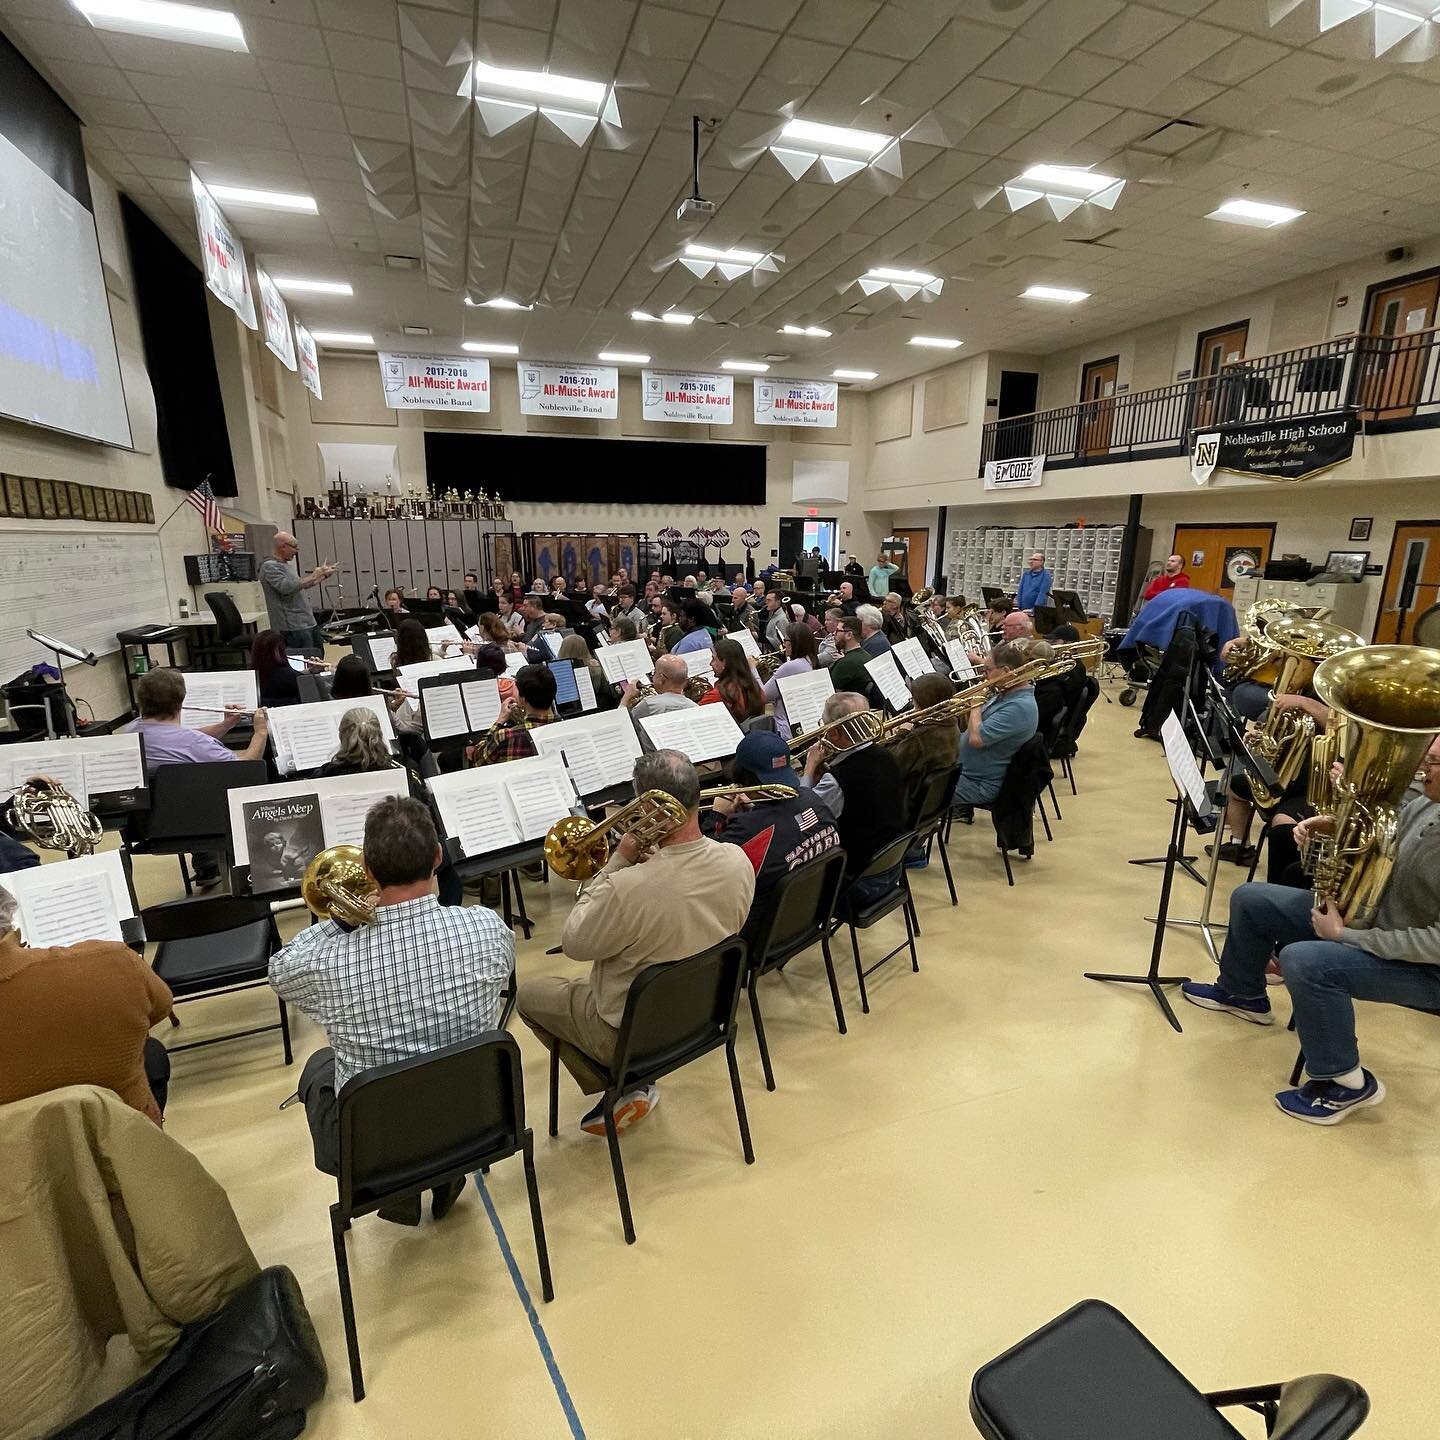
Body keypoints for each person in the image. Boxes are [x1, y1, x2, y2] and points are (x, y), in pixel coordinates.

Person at [271, 796, 513, 1220]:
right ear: (438, 858)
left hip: (378, 1146)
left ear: (367, 868)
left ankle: (396, 1192)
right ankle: (447, 1175)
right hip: (477, 1119)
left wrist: (339, 922)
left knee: (317, 1069)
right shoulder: (487, 927)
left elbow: (280, 973)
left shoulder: (326, 961)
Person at [1181, 738, 1440, 1125]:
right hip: (1376, 922)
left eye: (1433, 762)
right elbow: (1386, 836)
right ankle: (1242, 993)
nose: (1421, 769)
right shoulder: (1428, 802)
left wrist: (1346, 937)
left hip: (1425, 968)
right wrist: (1331, 828)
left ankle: (1346, 1083)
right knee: (1252, 899)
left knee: (1305, 960)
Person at [516, 750, 755, 1135]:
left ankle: (625, 1081)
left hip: (630, 1033)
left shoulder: (626, 887)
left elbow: (575, 942)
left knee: (530, 995)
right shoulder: (737, 860)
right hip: (706, 1013)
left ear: (651, 806)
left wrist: (618, 862)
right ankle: (635, 1082)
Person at [0, 883, 173, 1123]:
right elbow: (160, 1007)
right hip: (126, 1146)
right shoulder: (114, 962)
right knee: (150, 1052)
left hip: (14, 1157)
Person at [120, 668, 269, 890]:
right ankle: (213, 862)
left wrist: (225, 725)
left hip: (142, 827)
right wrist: (260, 732)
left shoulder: (126, 734)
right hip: (198, 824)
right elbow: (245, 767)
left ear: (140, 700)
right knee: (211, 787)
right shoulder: (194, 744)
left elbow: (182, 739)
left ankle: (207, 864)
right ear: (181, 701)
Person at [709, 731, 840, 946]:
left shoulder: (747, 827)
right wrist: (756, 810)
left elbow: (704, 865)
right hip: (810, 916)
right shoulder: (812, 798)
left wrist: (717, 816)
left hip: (760, 935)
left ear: (745, 776)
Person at [802, 692, 906, 903]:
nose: (822, 729)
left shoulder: (838, 780)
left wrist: (809, 768)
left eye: (825, 724)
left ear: (836, 733)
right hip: (891, 867)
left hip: (857, 882)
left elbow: (803, 815)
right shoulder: (886, 755)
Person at [952, 641, 1039, 817]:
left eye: (987, 670)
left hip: (979, 783)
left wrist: (975, 704)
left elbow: (977, 739)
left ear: (1006, 671)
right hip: (965, 772)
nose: (984, 676)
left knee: (913, 792)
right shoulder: (1005, 693)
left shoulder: (1019, 707)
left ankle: (912, 842)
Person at [887, 672, 960, 825]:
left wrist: (901, 733)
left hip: (908, 805)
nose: (912, 702)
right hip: (931, 806)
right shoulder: (952, 722)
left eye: (913, 699)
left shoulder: (921, 737)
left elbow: (890, 765)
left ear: (923, 701)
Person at [260, 530, 332, 654]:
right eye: (294, 547)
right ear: (283, 547)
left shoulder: (286, 565)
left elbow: (300, 586)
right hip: (293, 626)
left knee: (318, 654)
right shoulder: (270, 566)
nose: (297, 550)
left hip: (307, 621)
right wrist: (314, 575)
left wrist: (323, 576)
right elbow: (286, 588)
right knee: (305, 659)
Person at [469, 663, 556, 765]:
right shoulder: (566, 725)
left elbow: (478, 758)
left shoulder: (504, 737)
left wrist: (499, 721)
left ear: (523, 699)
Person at [763, 622, 819, 739]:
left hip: (783, 729)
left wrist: (753, 670)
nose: (783, 644)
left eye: (785, 640)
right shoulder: (809, 660)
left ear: (794, 643)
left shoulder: (793, 666)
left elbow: (762, 697)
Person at [623, 653, 696, 740]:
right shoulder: (695, 708)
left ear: (661, 678)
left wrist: (626, 698)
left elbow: (625, 727)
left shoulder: (649, 705)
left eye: (654, 672)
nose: (652, 677)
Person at [702, 637, 766, 724]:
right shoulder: (755, 687)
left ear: (724, 662)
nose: (710, 663)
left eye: (714, 659)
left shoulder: (716, 696)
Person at [558, 633, 618, 709]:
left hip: (567, 709)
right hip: (596, 707)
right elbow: (605, 689)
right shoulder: (596, 668)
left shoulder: (559, 671)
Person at [830, 617, 877, 703]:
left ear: (849, 635)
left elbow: (830, 693)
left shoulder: (845, 664)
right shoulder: (867, 656)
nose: (834, 634)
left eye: (837, 631)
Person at [250, 629, 302, 708]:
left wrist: (309, 671)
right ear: (277, 650)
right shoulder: (285, 675)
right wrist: (317, 673)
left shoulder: (253, 674)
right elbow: (307, 686)